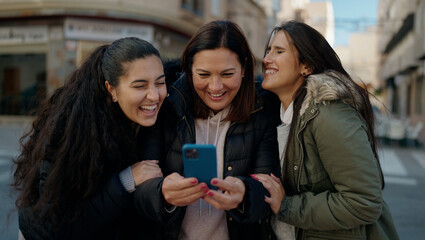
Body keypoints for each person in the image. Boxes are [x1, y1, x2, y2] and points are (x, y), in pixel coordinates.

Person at [252, 20, 399, 239]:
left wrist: (287, 206)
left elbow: (364, 202)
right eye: (268, 51)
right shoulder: (278, 114)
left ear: (306, 66)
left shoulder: (328, 114)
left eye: (279, 51)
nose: (266, 59)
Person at [134, 20, 280, 240]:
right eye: (203, 75)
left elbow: (269, 191)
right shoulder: (167, 108)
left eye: (227, 74)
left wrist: (245, 194)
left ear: (244, 68)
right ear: (190, 69)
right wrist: (162, 193)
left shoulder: (262, 110)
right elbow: (140, 194)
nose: (215, 87)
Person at [12, 37, 166, 240]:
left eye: (160, 82)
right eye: (140, 86)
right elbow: (55, 226)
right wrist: (126, 180)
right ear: (111, 89)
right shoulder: (77, 132)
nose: (154, 96)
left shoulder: (140, 121)